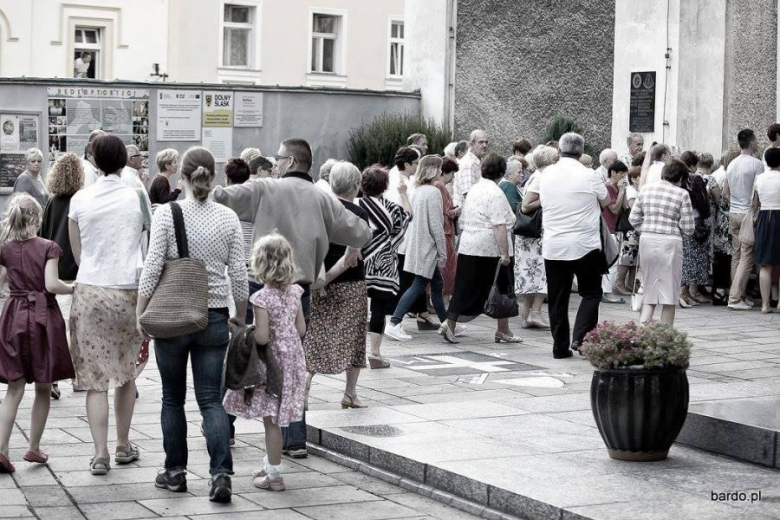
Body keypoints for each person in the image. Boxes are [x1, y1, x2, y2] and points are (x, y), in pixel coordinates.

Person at [213, 138, 372, 460]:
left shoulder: (265, 189)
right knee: (291, 361)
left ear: (288, 161)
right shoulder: (322, 198)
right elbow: (361, 232)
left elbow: (220, 198)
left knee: (244, 356)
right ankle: (295, 439)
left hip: (261, 287)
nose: (275, 162)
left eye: (278, 158)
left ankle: (222, 428)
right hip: (299, 291)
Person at [137, 147, 248, 502]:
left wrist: (141, 311)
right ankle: (221, 475)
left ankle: (175, 472)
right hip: (214, 315)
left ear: (181, 177)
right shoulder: (228, 217)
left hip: (172, 317)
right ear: (212, 177)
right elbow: (240, 274)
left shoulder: (167, 214)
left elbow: (153, 266)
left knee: (172, 398)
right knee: (211, 400)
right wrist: (240, 315)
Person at [67, 135, 145, 476]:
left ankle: (99, 454)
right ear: (125, 161)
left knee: (95, 379)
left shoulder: (80, 200)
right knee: (126, 372)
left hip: (91, 290)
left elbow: (78, 253)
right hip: (128, 288)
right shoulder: (135, 195)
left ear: (95, 162)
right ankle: (123, 445)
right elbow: (147, 238)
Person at [223, 234, 305, 492]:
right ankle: (270, 462)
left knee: (271, 420)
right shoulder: (296, 291)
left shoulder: (261, 298)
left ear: (260, 264)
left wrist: (243, 330)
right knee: (279, 415)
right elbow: (301, 328)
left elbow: (262, 336)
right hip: (293, 359)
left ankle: (274, 476)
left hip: (272, 363)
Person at [0, 194, 75, 474]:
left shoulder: (4, 249)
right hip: (43, 320)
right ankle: (33, 447)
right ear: (36, 219)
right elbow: (51, 284)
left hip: (13, 316)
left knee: (14, 388)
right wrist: (74, 288)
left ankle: (2, 450)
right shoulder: (49, 247)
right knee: (44, 386)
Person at [538, 133, 610, 358]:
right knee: (591, 293)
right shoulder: (589, 175)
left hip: (554, 243)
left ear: (559, 150)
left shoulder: (547, 173)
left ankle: (559, 347)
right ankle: (581, 338)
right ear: (581, 151)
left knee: (557, 298)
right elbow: (607, 202)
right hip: (584, 244)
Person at [304, 162, 369, 407]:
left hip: (318, 280)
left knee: (315, 333)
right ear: (355, 185)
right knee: (353, 336)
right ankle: (350, 393)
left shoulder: (319, 209)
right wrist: (329, 277)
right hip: (350, 284)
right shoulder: (357, 214)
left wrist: (320, 282)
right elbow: (350, 258)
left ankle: (306, 386)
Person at [444, 153, 519, 343]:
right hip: (489, 248)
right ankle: (503, 330)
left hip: (469, 244)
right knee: (502, 287)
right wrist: (504, 253)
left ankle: (449, 323)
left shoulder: (475, 189)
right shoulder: (496, 193)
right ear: (502, 172)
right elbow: (499, 225)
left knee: (464, 287)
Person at [386, 156, 453, 342]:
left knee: (436, 286)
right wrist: (442, 251)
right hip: (428, 248)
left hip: (418, 245)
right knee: (418, 286)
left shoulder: (419, 190)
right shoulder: (433, 192)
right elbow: (436, 225)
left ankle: (447, 323)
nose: (441, 172)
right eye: (439, 169)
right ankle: (394, 322)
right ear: (433, 171)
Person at [629, 159, 695, 324]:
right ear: (680, 179)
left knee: (649, 289)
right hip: (670, 242)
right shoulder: (682, 194)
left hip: (647, 239)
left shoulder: (645, 189)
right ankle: (665, 338)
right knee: (669, 293)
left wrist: (647, 228)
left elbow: (633, 218)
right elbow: (688, 228)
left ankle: (643, 331)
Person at [40, 153, 83, 399]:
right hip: (76, 271)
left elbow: (44, 234)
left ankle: (53, 377)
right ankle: (76, 377)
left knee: (55, 328)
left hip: (53, 270)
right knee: (74, 328)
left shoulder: (51, 202)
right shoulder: (81, 200)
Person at [359, 166, 410, 368]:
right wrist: (404, 194)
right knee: (379, 308)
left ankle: (354, 351)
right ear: (385, 186)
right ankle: (375, 353)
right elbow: (408, 217)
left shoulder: (355, 205)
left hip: (359, 262)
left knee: (358, 307)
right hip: (384, 264)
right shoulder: (393, 208)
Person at [515, 146, 558, 329]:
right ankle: (535, 314)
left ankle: (527, 316)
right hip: (535, 236)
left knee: (533, 275)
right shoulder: (541, 178)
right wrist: (548, 198)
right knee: (540, 274)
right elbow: (526, 206)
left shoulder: (538, 176)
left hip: (533, 236)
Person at [723, 129, 764, 310]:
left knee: (736, 256)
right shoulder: (757, 164)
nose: (758, 143)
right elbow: (757, 194)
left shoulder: (731, 163)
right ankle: (735, 298)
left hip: (733, 213)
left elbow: (725, 192)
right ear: (751, 142)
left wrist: (736, 203)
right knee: (747, 258)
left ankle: (739, 295)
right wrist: (753, 210)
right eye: (756, 140)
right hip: (748, 213)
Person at [679, 153, 712, 307]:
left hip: (680, 220)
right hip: (694, 220)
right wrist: (707, 216)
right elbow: (702, 201)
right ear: (693, 164)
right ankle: (685, 293)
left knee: (686, 257)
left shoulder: (677, 177)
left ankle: (686, 293)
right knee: (692, 258)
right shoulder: (694, 179)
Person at [753, 147, 780, 313]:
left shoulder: (759, 178)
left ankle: (764, 304)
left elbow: (754, 203)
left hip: (764, 217)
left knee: (765, 264)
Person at [711, 149, 739, 303]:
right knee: (725, 259)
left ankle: (720, 291)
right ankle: (721, 291)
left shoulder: (718, 174)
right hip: (727, 220)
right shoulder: (726, 176)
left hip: (721, 221)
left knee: (721, 258)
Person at [601, 161, 629, 304]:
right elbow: (614, 209)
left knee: (611, 261)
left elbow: (625, 206)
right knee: (611, 262)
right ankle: (607, 292)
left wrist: (623, 192)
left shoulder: (617, 188)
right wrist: (621, 192)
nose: (623, 178)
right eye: (621, 175)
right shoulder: (607, 187)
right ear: (613, 173)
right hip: (608, 228)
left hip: (614, 228)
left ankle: (605, 290)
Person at [614, 166, 641, 294]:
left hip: (635, 229)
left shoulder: (637, 190)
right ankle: (619, 282)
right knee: (627, 256)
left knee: (634, 257)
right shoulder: (631, 191)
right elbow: (632, 208)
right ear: (634, 179)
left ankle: (630, 282)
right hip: (630, 230)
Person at [436, 157, 460, 298]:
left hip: (444, 230)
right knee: (447, 267)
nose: (452, 177)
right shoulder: (440, 186)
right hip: (445, 230)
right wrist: (457, 211)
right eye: (452, 173)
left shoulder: (437, 185)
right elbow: (446, 211)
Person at [453, 130, 488, 209]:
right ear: (471, 144)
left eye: (486, 142)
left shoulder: (478, 161)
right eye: (481, 142)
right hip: (467, 215)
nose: (485, 145)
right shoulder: (468, 163)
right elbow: (469, 195)